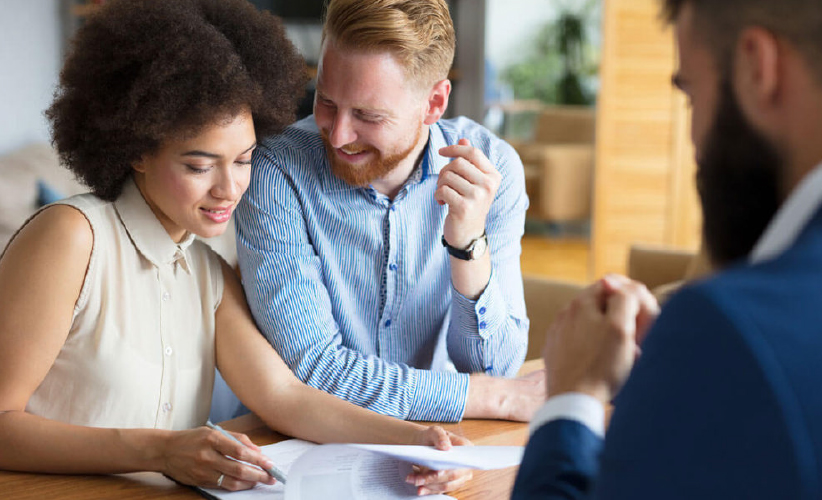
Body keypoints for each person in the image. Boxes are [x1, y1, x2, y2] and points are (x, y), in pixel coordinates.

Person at [0, 0, 473, 495]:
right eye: (200, 166)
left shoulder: (207, 273)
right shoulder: (73, 238)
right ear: (136, 149)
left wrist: (421, 440)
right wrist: (160, 450)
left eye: (244, 160)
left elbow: (286, 397)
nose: (230, 189)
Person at [512, 0, 822, 498]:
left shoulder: (729, 329)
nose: (696, 144)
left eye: (692, 95)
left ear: (755, 67)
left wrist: (572, 397)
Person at [225, 0, 544, 424]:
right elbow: (314, 371)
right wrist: (489, 399)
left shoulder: (492, 169)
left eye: (367, 115)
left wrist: (468, 244)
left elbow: (493, 368)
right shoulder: (276, 170)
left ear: (433, 103)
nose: (338, 135)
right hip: (299, 448)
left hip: (442, 447)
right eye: (325, 100)